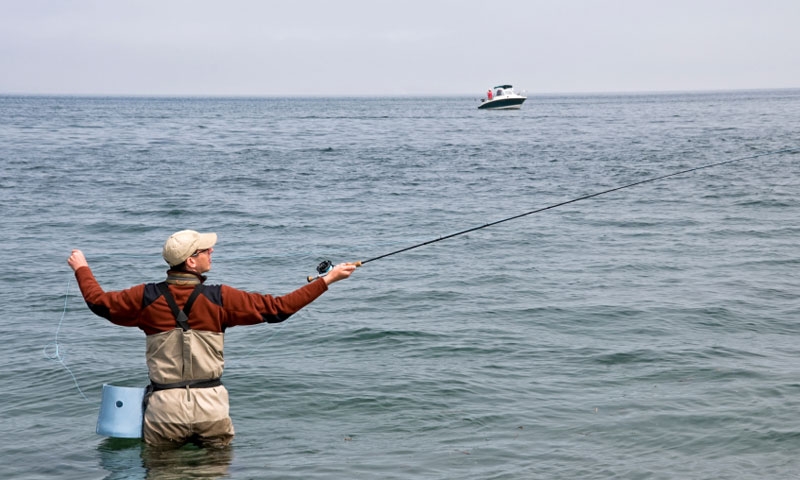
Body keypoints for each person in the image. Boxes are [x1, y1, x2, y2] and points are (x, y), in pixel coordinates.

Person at [67, 229, 356, 448]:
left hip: (164, 410)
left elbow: (99, 302)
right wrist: (327, 281)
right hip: (211, 407)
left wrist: (81, 267)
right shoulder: (220, 298)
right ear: (191, 261)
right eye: (206, 250)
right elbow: (279, 309)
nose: (212, 251)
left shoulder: (145, 298)